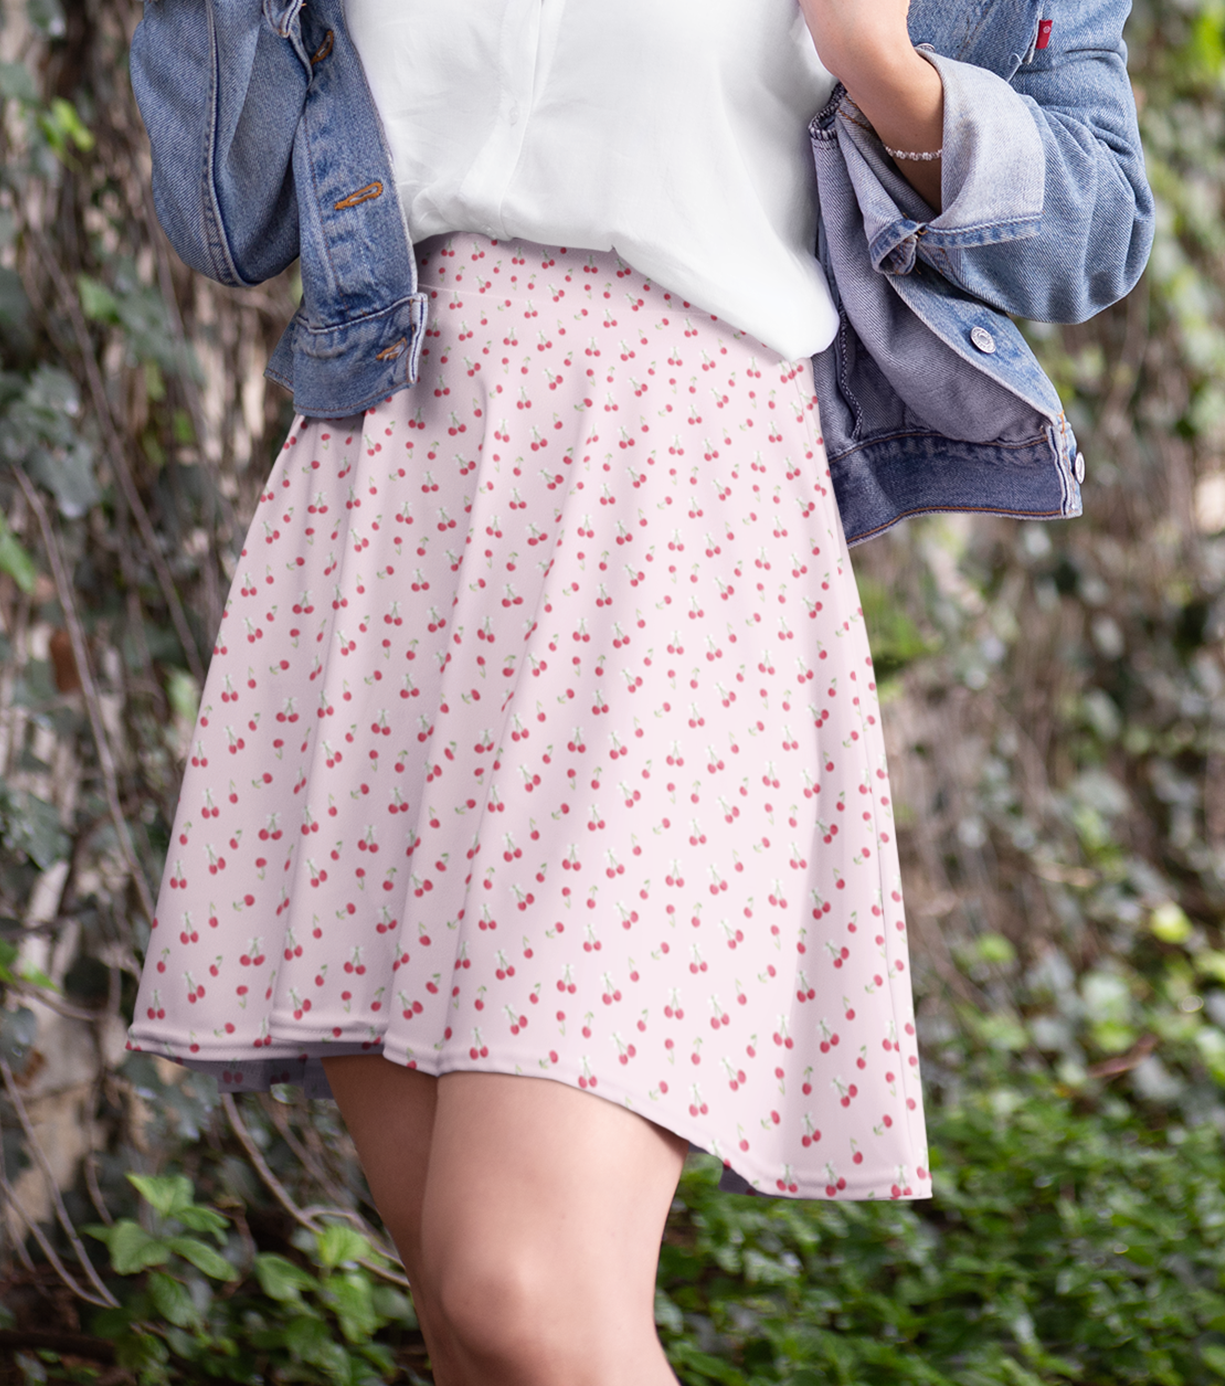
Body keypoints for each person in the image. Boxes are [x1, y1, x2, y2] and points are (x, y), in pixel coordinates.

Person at [125, 1, 1152, 1381]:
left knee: (520, 1289)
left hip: (672, 503)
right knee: (462, 1315)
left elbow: (1094, 221)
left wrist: (885, 67)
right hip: (391, 469)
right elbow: (222, 215)